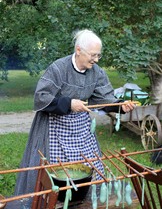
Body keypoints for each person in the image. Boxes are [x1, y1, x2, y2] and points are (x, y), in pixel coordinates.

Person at [14, 29, 134, 195]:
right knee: (55, 173)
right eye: (93, 55)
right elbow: (41, 97)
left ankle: (85, 199)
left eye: (98, 55)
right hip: (55, 128)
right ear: (78, 50)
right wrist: (68, 103)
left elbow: (104, 98)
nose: (96, 59)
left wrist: (120, 106)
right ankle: (52, 202)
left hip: (82, 129)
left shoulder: (97, 72)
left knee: (91, 166)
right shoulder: (58, 69)